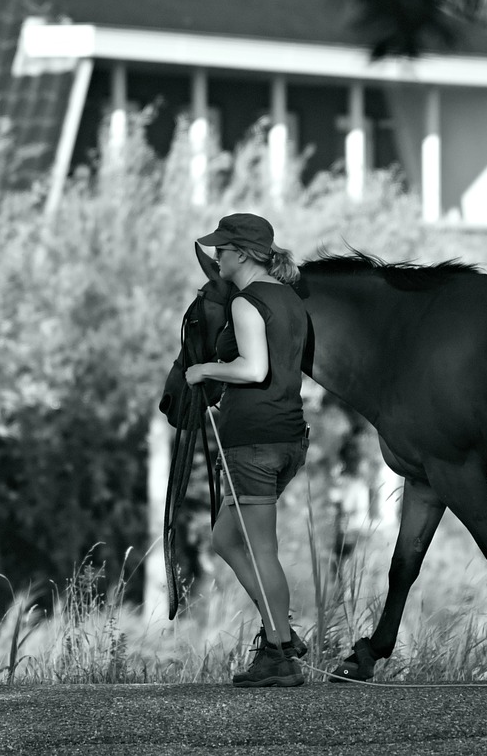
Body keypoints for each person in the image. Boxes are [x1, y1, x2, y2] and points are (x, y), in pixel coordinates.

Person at [185, 212, 310, 688]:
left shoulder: (246, 302)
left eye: (222, 249)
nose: (217, 256)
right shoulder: (291, 301)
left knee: (260, 550)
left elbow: (254, 369)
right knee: (225, 539)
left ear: (241, 254)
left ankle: (279, 653)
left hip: (254, 441)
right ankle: (283, 633)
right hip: (287, 439)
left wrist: (206, 371)